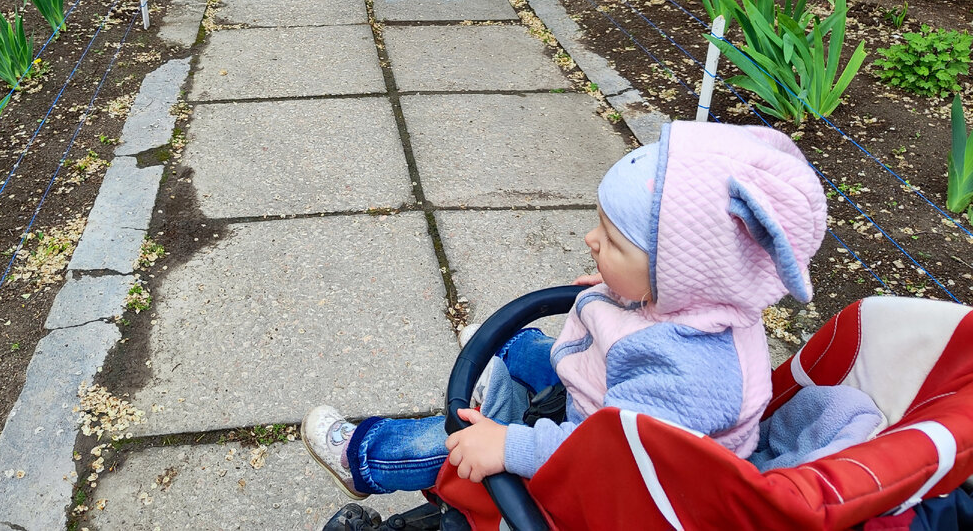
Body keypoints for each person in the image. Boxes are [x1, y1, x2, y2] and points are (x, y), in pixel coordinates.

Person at [302, 120, 827, 498]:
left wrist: (510, 448)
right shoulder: (701, 297)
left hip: (604, 465)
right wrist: (626, 282)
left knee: (460, 444)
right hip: (605, 392)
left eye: (613, 243)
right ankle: (505, 369)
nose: (589, 239)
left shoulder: (691, 376)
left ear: (683, 272)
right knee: (530, 348)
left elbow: (608, 460)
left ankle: (366, 458)